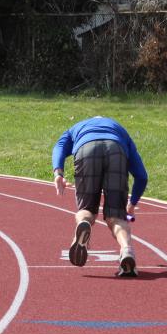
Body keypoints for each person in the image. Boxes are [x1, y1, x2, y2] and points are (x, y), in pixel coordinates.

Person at [52, 116, 148, 277]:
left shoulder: (76, 128)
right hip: (116, 149)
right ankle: (127, 251)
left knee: (86, 209)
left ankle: (83, 223)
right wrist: (132, 204)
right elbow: (142, 176)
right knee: (116, 216)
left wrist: (58, 173)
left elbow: (59, 147)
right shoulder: (120, 130)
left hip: (86, 148)